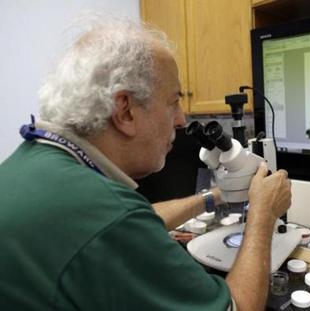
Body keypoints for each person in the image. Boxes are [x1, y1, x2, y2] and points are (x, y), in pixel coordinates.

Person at [0, 15, 291, 311]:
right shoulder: (110, 216)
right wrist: (263, 215)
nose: (181, 120)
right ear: (125, 111)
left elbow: (135, 220)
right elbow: (238, 307)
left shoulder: (36, 162)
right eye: (173, 101)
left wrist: (216, 196)